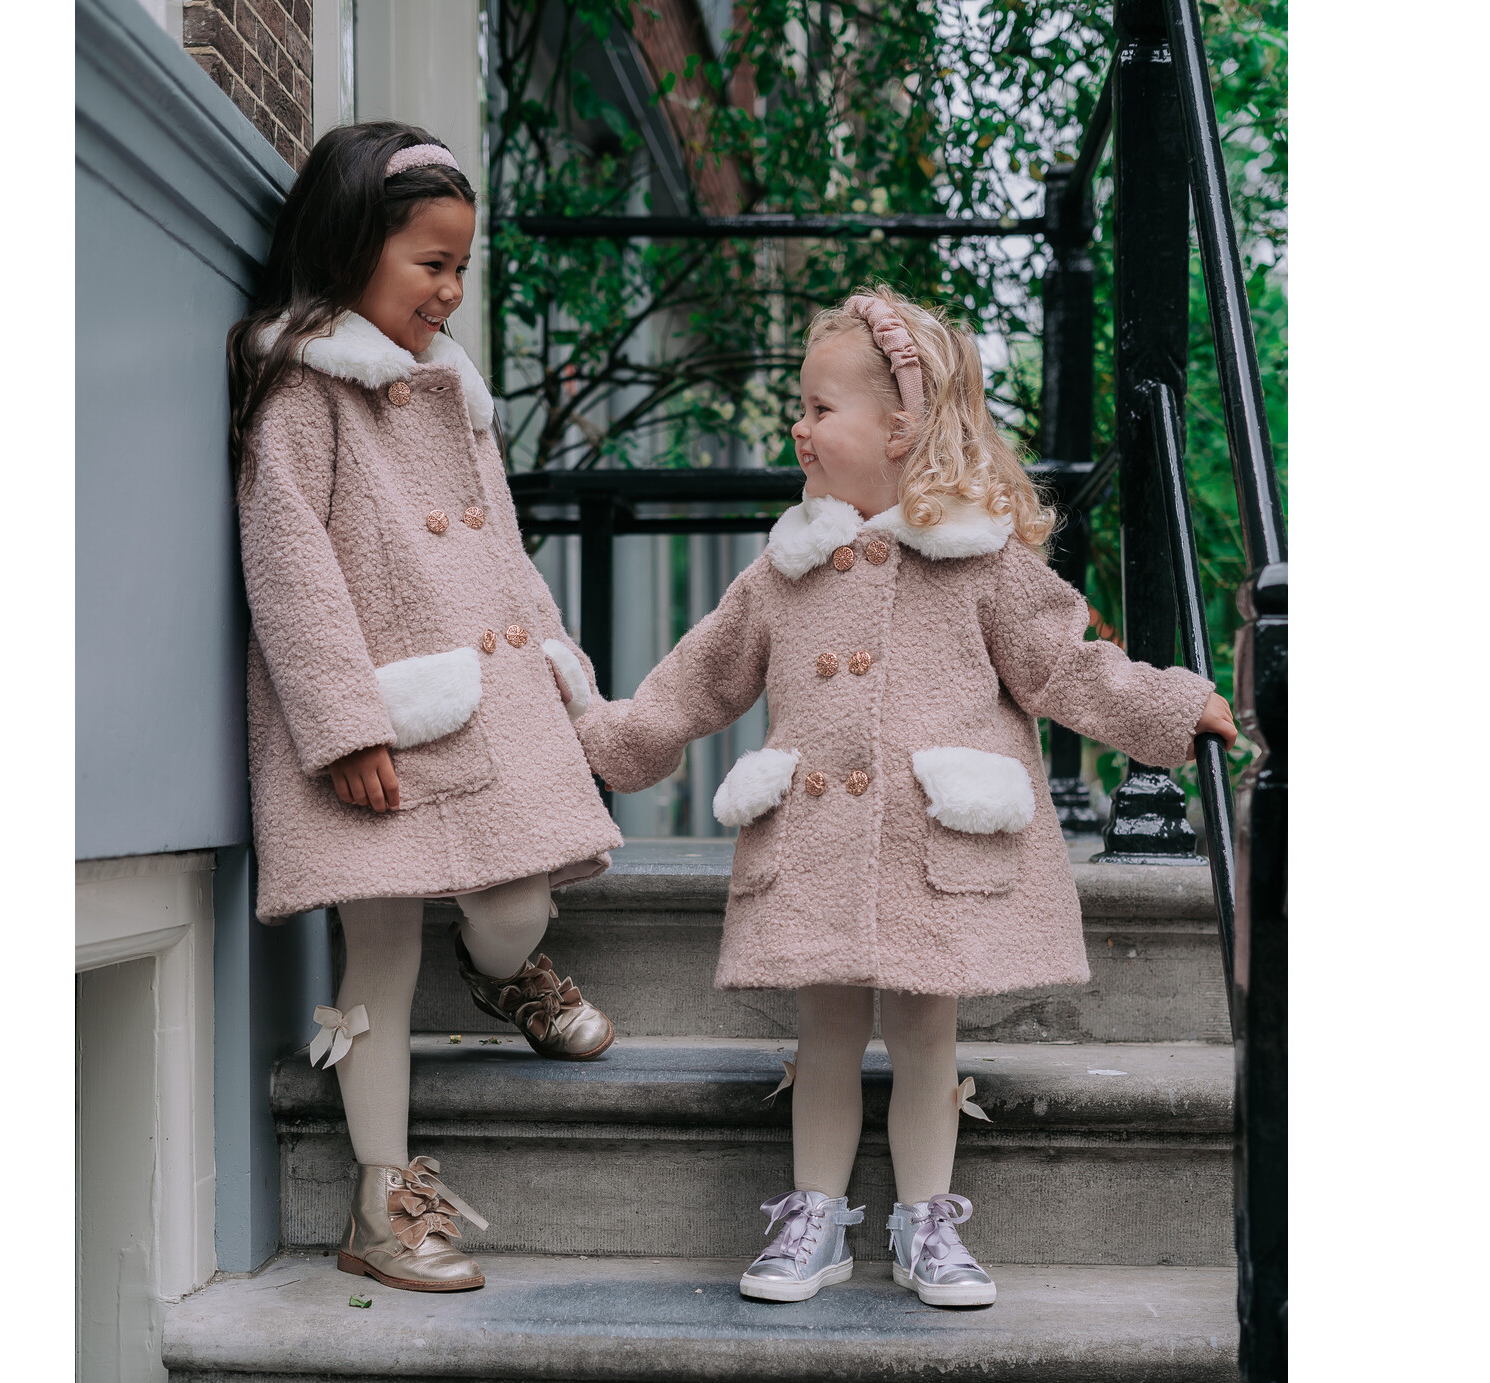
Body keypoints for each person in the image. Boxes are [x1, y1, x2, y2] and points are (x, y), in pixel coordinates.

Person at [571, 286, 1237, 1308]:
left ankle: (927, 1219)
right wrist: (613, 738)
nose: (798, 427)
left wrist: (1172, 705)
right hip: (819, 848)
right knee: (824, 1034)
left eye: (818, 408)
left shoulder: (980, 563)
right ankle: (813, 1215)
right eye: (798, 407)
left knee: (927, 1037)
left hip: (929, 852)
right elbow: (698, 677)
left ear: (899, 428)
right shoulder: (782, 571)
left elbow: (1066, 666)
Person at [227, 123, 622, 1294]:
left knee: (515, 903)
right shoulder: (304, 387)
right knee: (379, 949)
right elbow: (288, 562)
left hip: (484, 704)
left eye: (461, 267)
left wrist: (558, 665)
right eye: (430, 263)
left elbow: (499, 551)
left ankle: (502, 973)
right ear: (352, 244)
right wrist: (341, 722)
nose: (450, 290)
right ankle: (382, 1197)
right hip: (381, 725)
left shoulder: (454, 389)